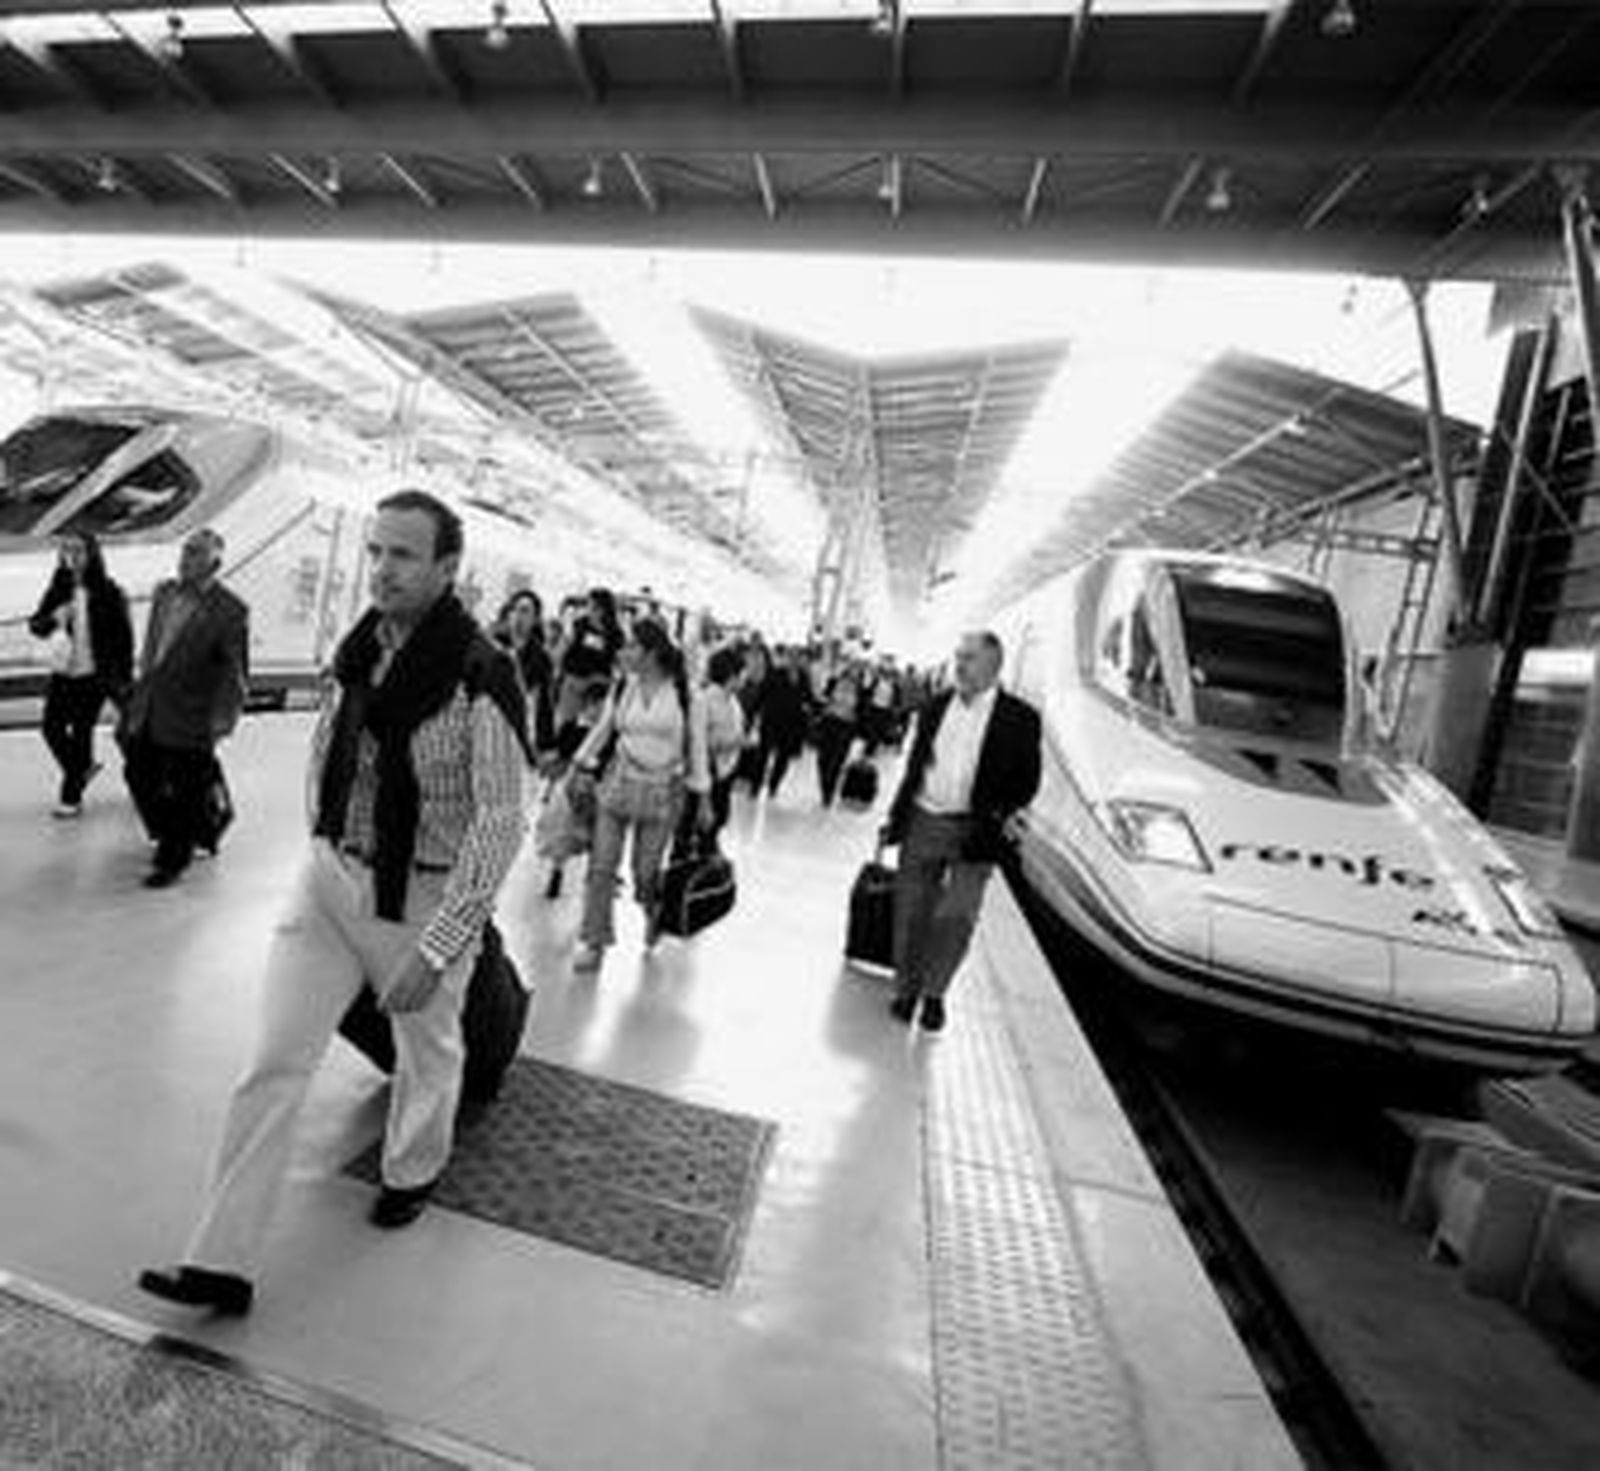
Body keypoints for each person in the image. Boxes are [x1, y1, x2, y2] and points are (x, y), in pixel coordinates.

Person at [137, 490, 531, 1317]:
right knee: (273, 1060)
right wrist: (321, 845)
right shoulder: (358, 649)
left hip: (421, 891)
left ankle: (412, 1170)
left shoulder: (482, 673)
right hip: (328, 878)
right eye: (376, 551)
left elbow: (500, 819)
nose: (382, 569)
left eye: (404, 555)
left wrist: (442, 943)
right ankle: (219, 1259)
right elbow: (333, 754)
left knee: (429, 1048)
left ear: (447, 568)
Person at [881, 631, 1041, 1033]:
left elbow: (1028, 781)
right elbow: (916, 767)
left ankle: (935, 993)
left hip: (977, 831)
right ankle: (906, 990)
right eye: (959, 656)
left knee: (956, 916)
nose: (960, 665)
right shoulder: (936, 706)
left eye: (969, 658)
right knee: (912, 911)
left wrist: (998, 814)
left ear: (993, 666)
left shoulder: (1020, 719)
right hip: (924, 819)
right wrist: (895, 817)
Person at [569, 617, 711, 971]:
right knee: (602, 867)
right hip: (618, 781)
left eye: (631, 645)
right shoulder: (623, 687)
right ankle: (594, 942)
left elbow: (697, 747)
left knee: (645, 872)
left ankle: (653, 913)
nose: (623, 651)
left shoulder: (686, 694)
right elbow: (604, 729)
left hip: (663, 790)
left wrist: (703, 797)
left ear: (651, 652)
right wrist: (579, 763)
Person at [119, 528, 250, 888]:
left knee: (186, 789)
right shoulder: (164, 593)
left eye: (195, 553)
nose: (184, 558)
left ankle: (173, 859)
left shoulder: (231, 610)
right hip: (150, 705)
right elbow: (154, 649)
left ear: (215, 563)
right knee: (138, 772)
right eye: (185, 550)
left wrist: (221, 722)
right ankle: (186, 831)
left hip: (193, 715)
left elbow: (235, 672)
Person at [27, 530, 134, 817]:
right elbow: (36, 626)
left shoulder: (109, 591)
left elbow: (124, 639)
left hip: (95, 675)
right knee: (51, 728)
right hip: (63, 672)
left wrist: (123, 679)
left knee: (82, 729)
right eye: (66, 550)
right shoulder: (57, 590)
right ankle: (82, 768)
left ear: (91, 554)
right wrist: (54, 617)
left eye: (78, 550)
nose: (71, 556)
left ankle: (71, 797)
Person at [491, 588, 557, 760]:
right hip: (489, 721)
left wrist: (546, 743)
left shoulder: (540, 657)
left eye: (525, 611)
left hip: (520, 729)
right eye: (514, 609)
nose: (518, 615)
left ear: (535, 619)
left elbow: (544, 703)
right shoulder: (491, 646)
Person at [555, 586, 623, 731]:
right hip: (574, 682)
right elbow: (564, 648)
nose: (589, 610)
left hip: (598, 687)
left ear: (603, 610)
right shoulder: (579, 625)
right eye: (589, 606)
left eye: (593, 607)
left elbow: (618, 661)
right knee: (566, 725)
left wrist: (610, 680)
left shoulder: (615, 634)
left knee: (590, 728)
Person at [814, 660, 862, 807]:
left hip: (846, 727)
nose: (853, 673)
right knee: (822, 759)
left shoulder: (860, 689)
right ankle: (825, 786)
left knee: (837, 760)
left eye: (856, 671)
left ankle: (829, 792)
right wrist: (825, 705)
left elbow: (861, 710)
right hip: (830, 722)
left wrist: (857, 722)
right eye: (851, 669)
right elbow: (824, 698)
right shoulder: (834, 682)